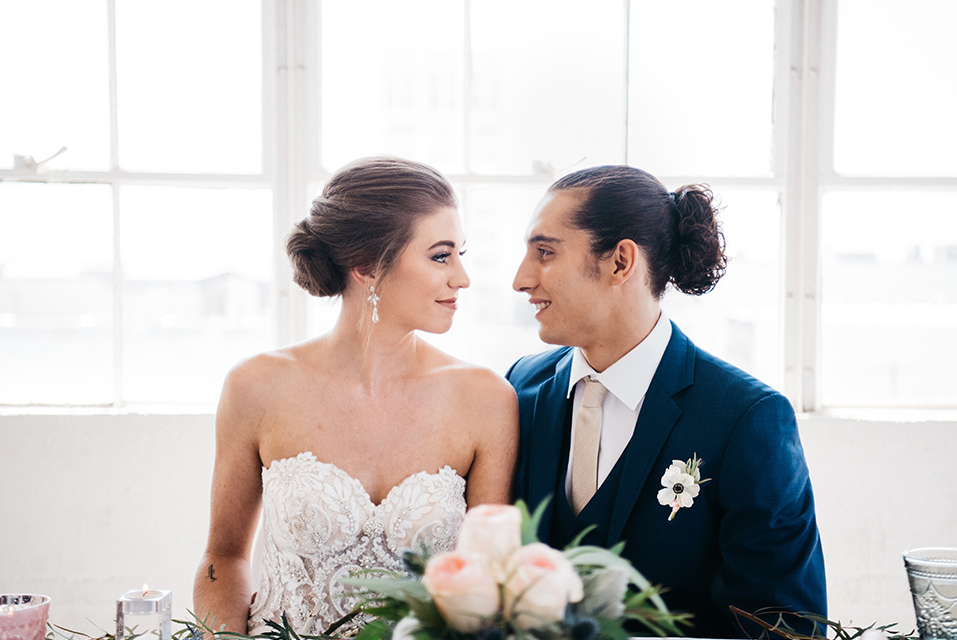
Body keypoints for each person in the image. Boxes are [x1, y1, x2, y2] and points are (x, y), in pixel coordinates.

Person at [194, 156, 518, 636]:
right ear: (366, 267)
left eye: (460, 254)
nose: (461, 278)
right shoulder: (255, 386)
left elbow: (488, 582)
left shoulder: (486, 399)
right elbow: (223, 557)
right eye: (440, 255)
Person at [506, 165, 826, 638]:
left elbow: (787, 627)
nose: (521, 279)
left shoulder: (747, 418)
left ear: (620, 262)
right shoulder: (519, 388)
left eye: (545, 252)